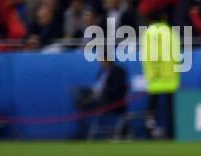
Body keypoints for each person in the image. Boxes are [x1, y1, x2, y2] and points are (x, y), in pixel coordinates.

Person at [139, 8, 181, 139]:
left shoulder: (148, 33)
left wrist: (150, 73)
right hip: (170, 77)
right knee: (170, 109)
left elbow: (145, 56)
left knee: (152, 107)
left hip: (154, 77)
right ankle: (171, 132)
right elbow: (177, 53)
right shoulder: (170, 32)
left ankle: (149, 131)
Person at [73, 55, 129, 138]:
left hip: (112, 101)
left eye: (101, 60)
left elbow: (118, 88)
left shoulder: (119, 71)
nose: (100, 62)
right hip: (99, 97)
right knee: (81, 99)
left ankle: (124, 130)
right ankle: (81, 131)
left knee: (87, 102)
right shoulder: (101, 72)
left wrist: (103, 92)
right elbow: (97, 86)